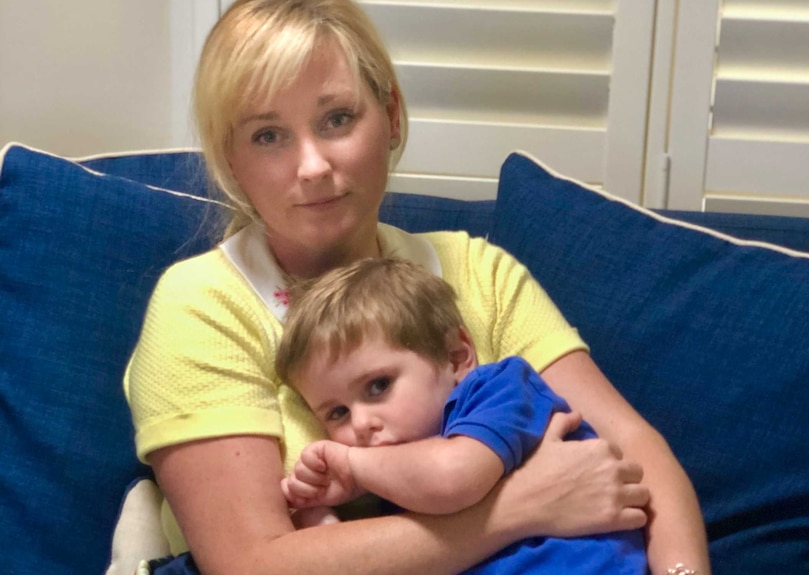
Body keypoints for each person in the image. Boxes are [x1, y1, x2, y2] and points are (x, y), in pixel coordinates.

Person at [123, 0, 711, 574]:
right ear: (231, 160)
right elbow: (248, 563)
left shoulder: (477, 272)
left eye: (337, 119)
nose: (313, 167)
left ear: (392, 115)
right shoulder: (202, 305)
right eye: (269, 136)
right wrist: (522, 507)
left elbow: (633, 446)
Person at [277, 257, 648, 574]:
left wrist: (352, 466)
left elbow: (452, 478)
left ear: (456, 357)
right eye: (338, 412)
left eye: (378, 386)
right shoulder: (398, 479)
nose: (360, 424)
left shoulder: (499, 389)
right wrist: (316, 509)